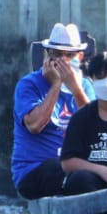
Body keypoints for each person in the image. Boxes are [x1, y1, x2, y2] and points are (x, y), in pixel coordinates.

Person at [10, 22, 95, 200]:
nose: (62, 61)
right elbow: (35, 125)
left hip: (74, 166)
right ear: (48, 55)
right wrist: (56, 85)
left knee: (90, 176)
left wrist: (75, 89)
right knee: (72, 174)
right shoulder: (30, 84)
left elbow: (96, 128)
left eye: (69, 55)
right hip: (34, 169)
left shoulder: (85, 86)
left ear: (79, 57)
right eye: (56, 54)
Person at [59, 51, 107, 193]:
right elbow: (67, 162)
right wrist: (102, 171)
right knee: (78, 179)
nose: (106, 83)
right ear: (92, 79)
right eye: (100, 77)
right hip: (92, 183)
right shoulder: (81, 118)